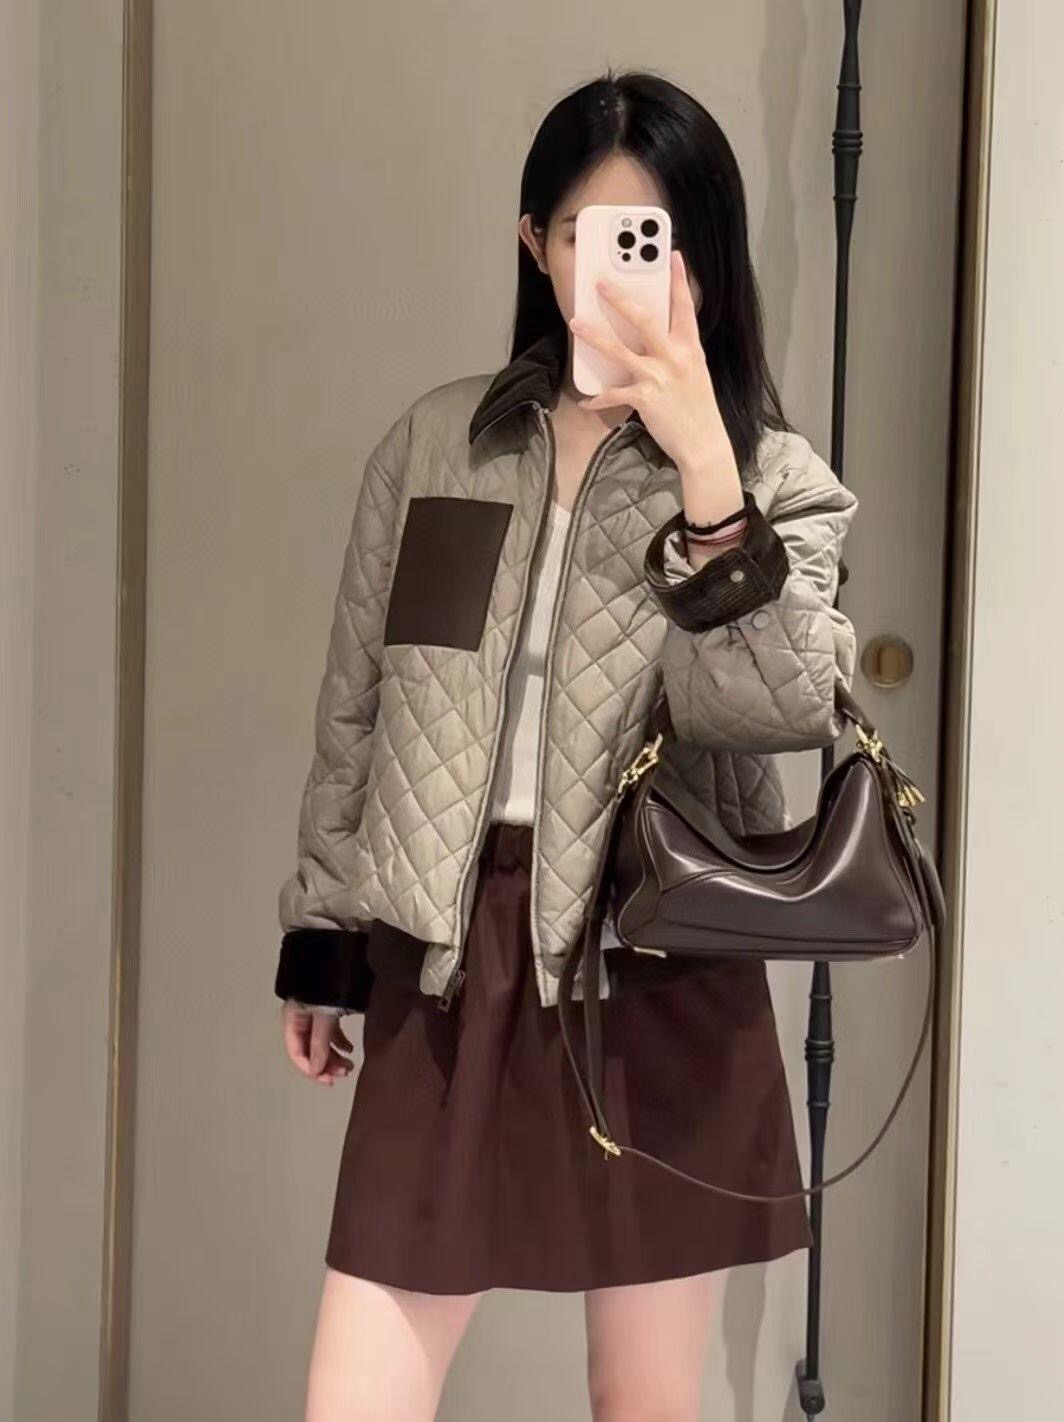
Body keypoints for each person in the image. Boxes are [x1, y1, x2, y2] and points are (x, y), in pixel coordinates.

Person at [274, 68, 859, 1422]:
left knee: (641, 1404)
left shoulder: (774, 478)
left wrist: (709, 477)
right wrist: (324, 929)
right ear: (536, 244)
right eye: (592, 237)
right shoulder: (441, 445)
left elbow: (776, 710)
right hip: (447, 954)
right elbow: (359, 704)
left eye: (657, 239)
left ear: (705, 260)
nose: (622, 271)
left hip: (656, 963)